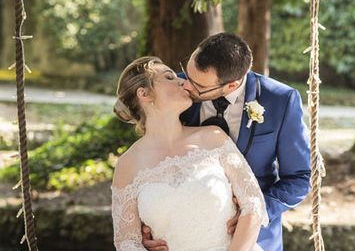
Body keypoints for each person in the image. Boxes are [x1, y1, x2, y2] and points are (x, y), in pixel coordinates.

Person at [142, 33, 312, 251]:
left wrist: (256, 211)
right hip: (181, 235)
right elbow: (148, 161)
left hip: (255, 239)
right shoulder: (175, 88)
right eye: (187, 73)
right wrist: (146, 226)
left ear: (232, 85)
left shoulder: (280, 100)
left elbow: (299, 177)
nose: (185, 86)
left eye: (197, 85)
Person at [111, 56, 268, 251]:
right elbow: (127, 242)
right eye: (169, 77)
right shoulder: (127, 165)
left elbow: (253, 203)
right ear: (144, 94)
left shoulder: (214, 138)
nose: (182, 82)